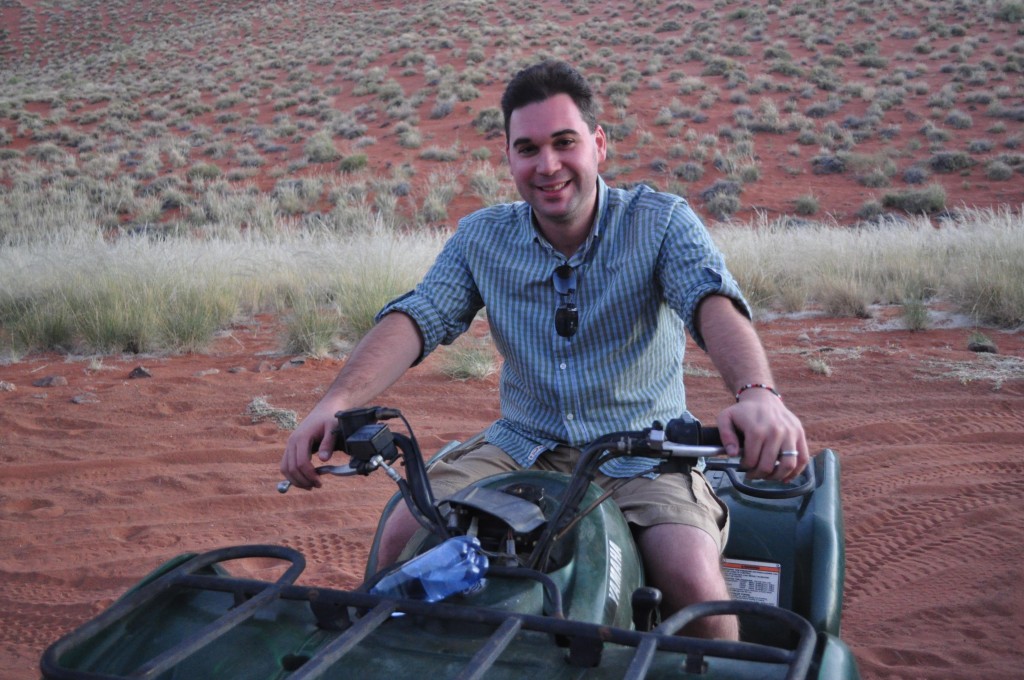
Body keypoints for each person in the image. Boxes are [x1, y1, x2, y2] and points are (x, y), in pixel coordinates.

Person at [280, 60, 809, 640]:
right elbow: (420, 316)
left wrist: (757, 394)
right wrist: (335, 401)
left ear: (598, 145)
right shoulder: (483, 237)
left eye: (565, 142)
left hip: (646, 450)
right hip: (521, 444)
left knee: (693, 586)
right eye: (527, 148)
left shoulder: (659, 222)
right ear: (509, 158)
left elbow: (709, 299)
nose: (548, 165)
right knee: (403, 539)